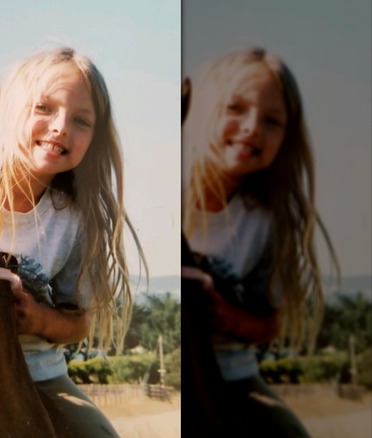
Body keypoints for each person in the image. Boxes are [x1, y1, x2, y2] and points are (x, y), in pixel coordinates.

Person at [0, 46, 146, 437]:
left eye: (81, 120)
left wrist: (39, 319)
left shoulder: (74, 219)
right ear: (13, 109)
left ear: (94, 139)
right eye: (44, 108)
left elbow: (79, 321)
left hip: (38, 373)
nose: (61, 126)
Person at [182, 47, 339, 436]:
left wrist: (228, 317)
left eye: (272, 121)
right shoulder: (173, 195)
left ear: (286, 138)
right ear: (200, 112)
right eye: (235, 108)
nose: (252, 127)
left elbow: (271, 322)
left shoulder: (264, 221)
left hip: (234, 375)